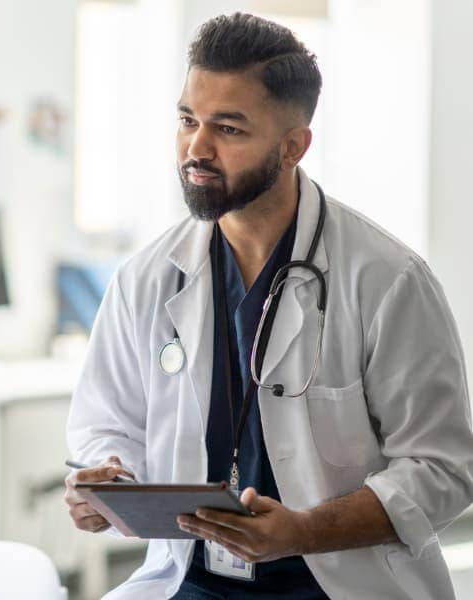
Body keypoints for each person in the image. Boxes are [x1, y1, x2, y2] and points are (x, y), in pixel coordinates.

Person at [65, 12, 473, 600]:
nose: (196, 148)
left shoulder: (387, 280)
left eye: (228, 129)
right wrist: (106, 485)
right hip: (193, 581)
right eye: (187, 120)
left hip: (337, 584)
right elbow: (107, 424)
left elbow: (442, 470)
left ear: (292, 147)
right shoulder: (147, 279)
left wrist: (302, 532)